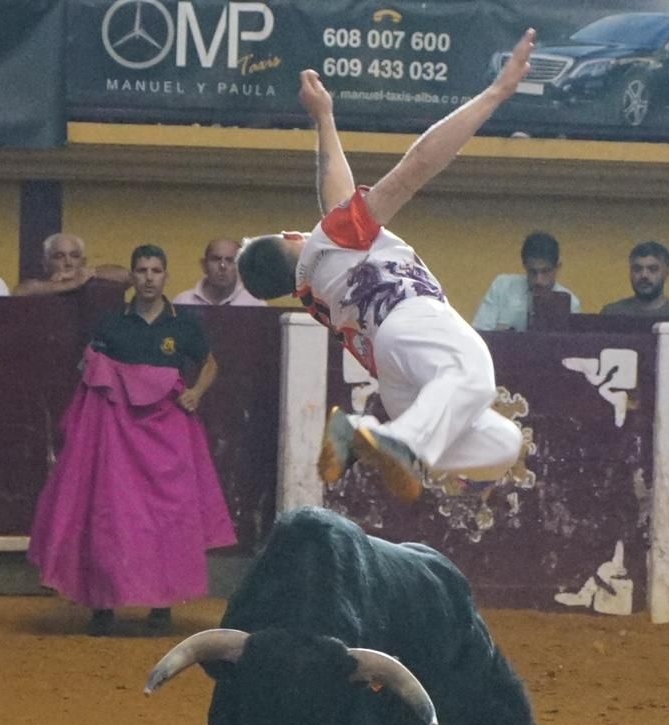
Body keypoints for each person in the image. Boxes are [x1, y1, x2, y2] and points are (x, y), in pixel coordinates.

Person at [236, 31, 541, 503]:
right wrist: (497, 92)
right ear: (291, 236)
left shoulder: (313, 289)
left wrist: (325, 118)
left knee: (503, 444)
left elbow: (334, 191)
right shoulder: (335, 235)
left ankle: (365, 432)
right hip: (411, 322)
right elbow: (417, 165)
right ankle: (401, 440)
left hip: (397, 376)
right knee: (475, 373)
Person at [27, 244, 235, 637]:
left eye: (156, 270)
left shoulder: (183, 324)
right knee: (109, 515)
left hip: (166, 434)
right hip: (117, 438)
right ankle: (103, 605)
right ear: (133, 276)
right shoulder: (111, 324)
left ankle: (161, 604)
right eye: (141, 270)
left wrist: (196, 392)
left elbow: (209, 364)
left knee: (166, 516)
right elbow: (87, 369)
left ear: (166, 275)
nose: (149, 277)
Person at [471, 230, 581, 332]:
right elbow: (479, 335)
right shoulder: (502, 286)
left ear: (558, 267)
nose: (539, 280)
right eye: (533, 272)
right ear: (525, 266)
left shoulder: (571, 303)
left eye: (545, 271)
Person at [14, 233, 130, 297]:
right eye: (59, 256)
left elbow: (128, 276)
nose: (68, 262)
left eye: (74, 256)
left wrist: (84, 274)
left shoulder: (92, 280)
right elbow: (20, 292)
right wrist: (70, 284)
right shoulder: (41, 287)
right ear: (45, 263)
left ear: (83, 262)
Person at [599, 242, 669, 317]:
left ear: (666, 274)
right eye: (637, 269)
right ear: (630, 273)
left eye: (653, 269)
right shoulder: (611, 314)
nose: (644, 275)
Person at [172, 238, 268, 307]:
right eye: (215, 259)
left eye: (230, 260)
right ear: (204, 265)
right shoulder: (182, 301)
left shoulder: (255, 304)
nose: (222, 266)